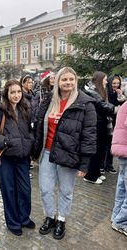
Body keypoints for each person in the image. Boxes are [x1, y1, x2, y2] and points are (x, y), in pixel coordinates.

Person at [33, 67, 97, 240]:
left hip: (69, 155)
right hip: (47, 152)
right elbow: (39, 125)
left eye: (71, 79)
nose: (68, 82)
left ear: (75, 81)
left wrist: (84, 164)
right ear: (58, 82)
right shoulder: (49, 100)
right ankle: (50, 216)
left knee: (66, 190)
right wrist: (34, 150)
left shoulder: (85, 103)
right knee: (45, 189)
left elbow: (89, 136)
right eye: (64, 79)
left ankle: (61, 219)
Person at [0, 79, 35, 236]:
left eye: (19, 91)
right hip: (5, 159)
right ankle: (13, 222)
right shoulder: (0, 112)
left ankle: (24, 218)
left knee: (25, 190)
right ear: (6, 93)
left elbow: (29, 131)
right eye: (13, 92)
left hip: (22, 158)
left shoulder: (25, 109)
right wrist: (6, 141)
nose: (16, 95)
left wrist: (30, 143)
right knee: (9, 191)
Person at [83, 71, 116, 184]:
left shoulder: (100, 90)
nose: (106, 81)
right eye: (105, 79)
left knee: (101, 150)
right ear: (99, 79)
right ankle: (90, 175)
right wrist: (116, 109)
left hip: (102, 123)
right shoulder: (91, 91)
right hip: (96, 123)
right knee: (96, 151)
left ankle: (96, 172)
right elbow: (102, 105)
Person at [110, 100, 127, 237]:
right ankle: (121, 221)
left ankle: (117, 217)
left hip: (122, 149)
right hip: (125, 150)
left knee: (122, 187)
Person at [105, 75, 126, 174]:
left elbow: (123, 106)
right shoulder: (106, 93)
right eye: (114, 83)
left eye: (118, 83)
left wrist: (120, 95)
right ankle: (103, 165)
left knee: (112, 143)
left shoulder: (119, 93)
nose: (116, 85)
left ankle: (109, 164)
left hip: (116, 122)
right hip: (107, 121)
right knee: (105, 143)